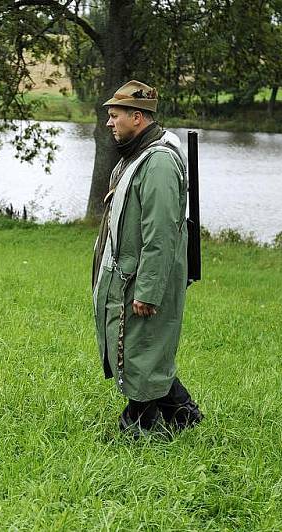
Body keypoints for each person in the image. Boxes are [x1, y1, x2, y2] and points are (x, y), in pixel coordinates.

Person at [92, 80, 203, 439]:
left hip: (142, 280)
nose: (110, 123)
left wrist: (148, 290)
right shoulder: (138, 156)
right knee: (142, 350)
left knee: (140, 352)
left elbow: (161, 233)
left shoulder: (157, 164)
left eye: (115, 116)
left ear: (137, 118)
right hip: (129, 276)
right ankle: (184, 414)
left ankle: (136, 427)